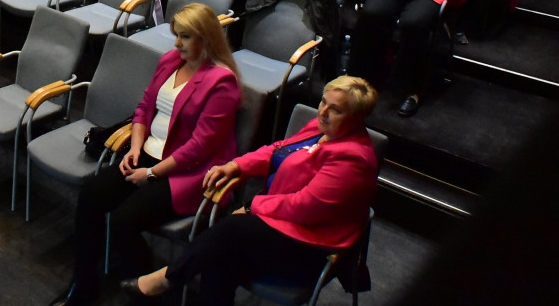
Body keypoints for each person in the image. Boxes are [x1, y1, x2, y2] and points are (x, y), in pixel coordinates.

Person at [123, 76, 379, 306]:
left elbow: (305, 207)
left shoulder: (353, 159)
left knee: (230, 232)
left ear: (356, 119)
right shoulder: (320, 128)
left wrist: (253, 206)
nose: (323, 112)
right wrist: (236, 165)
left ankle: (167, 279)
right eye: (324, 102)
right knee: (220, 254)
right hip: (276, 222)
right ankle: (171, 279)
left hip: (308, 246)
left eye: (336, 110)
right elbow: (277, 149)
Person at [51, 3, 241, 306]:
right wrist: (135, 149)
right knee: (91, 194)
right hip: (148, 154)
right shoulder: (169, 61)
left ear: (206, 39)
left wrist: (152, 173)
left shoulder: (221, 81)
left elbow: (199, 147)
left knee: (125, 220)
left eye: (186, 37)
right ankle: (84, 285)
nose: (177, 43)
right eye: (177, 36)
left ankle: (142, 290)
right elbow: (143, 110)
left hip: (186, 172)